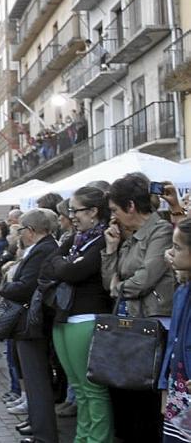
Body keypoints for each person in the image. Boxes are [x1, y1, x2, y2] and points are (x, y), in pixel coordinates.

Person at [102, 173, 175, 442]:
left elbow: (145, 279)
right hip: (129, 323)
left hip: (152, 324)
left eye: (114, 210)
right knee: (125, 397)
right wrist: (111, 248)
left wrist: (119, 286)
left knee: (145, 402)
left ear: (130, 206)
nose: (114, 216)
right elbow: (107, 278)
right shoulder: (128, 237)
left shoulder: (162, 231)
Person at [41, 186, 114, 442]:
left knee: (92, 390)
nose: (71, 215)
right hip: (65, 317)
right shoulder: (76, 238)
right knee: (79, 389)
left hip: (87, 319)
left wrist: (65, 266)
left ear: (93, 211)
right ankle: (82, 437)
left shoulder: (103, 238)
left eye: (76, 210)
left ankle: (98, 438)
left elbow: (71, 272)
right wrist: (66, 266)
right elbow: (51, 261)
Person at [0, 209, 60, 443]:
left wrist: (6, 285)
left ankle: (44, 435)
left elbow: (26, 285)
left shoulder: (44, 249)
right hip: (29, 321)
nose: (20, 234)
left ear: (31, 231)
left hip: (32, 322)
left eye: (21, 230)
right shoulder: (41, 248)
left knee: (36, 380)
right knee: (33, 378)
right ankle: (37, 426)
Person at [160, 218, 191, 442]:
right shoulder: (183, 291)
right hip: (179, 391)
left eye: (177, 247)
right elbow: (174, 341)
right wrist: (165, 388)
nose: (171, 252)